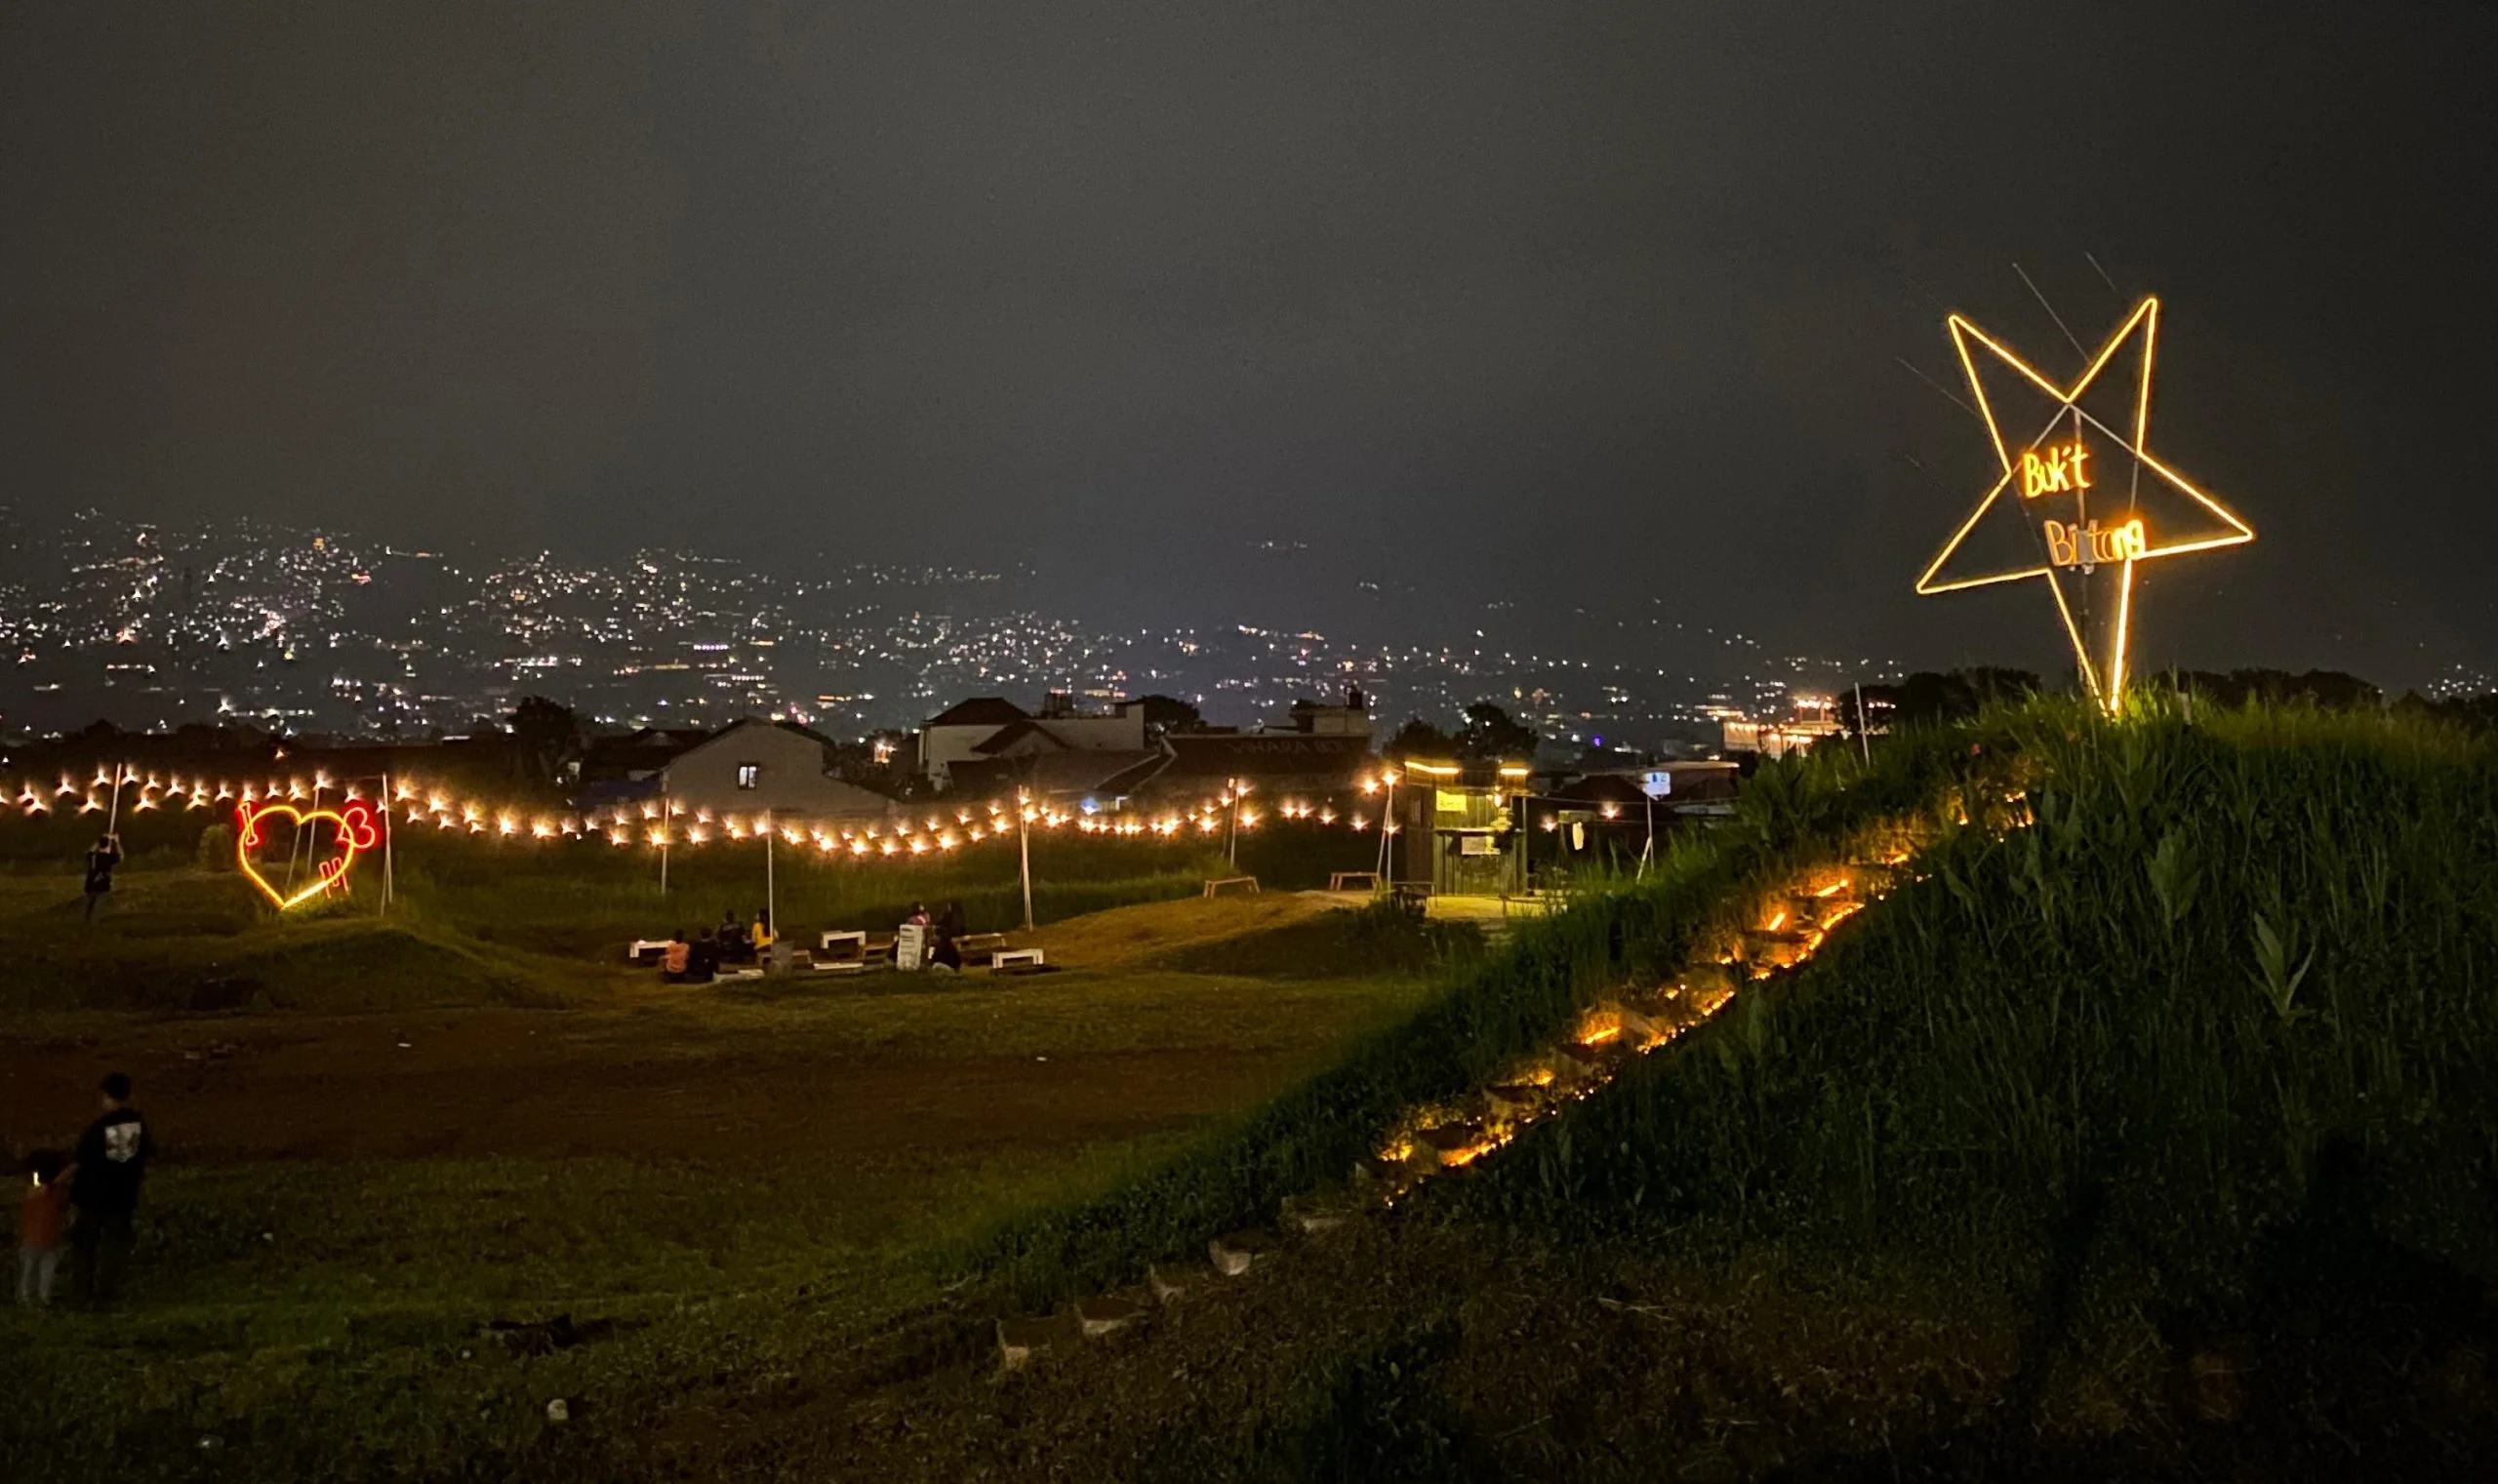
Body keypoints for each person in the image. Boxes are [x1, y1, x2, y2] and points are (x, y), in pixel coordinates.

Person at [69, 1071, 152, 1304]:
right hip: (123, 1196)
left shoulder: (99, 1129)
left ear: (106, 1096)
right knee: (114, 1247)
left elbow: (81, 1160)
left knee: (85, 1245)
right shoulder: (138, 1125)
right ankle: (106, 1294)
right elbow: (142, 1155)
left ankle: (82, 1295)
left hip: (94, 1196)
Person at [18, 1150, 69, 1306]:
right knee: (48, 1267)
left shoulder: (32, 1191)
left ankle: (27, 1295)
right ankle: (43, 1296)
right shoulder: (59, 1192)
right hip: (52, 1235)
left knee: (29, 1267)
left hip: (32, 1235)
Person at [83, 833, 123, 923]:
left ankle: (84, 929)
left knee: (86, 913)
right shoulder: (109, 858)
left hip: (89, 887)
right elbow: (121, 856)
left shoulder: (93, 856)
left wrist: (100, 839)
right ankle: (92, 930)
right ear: (108, 845)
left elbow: (89, 851)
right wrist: (117, 843)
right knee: (96, 913)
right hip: (102, 889)